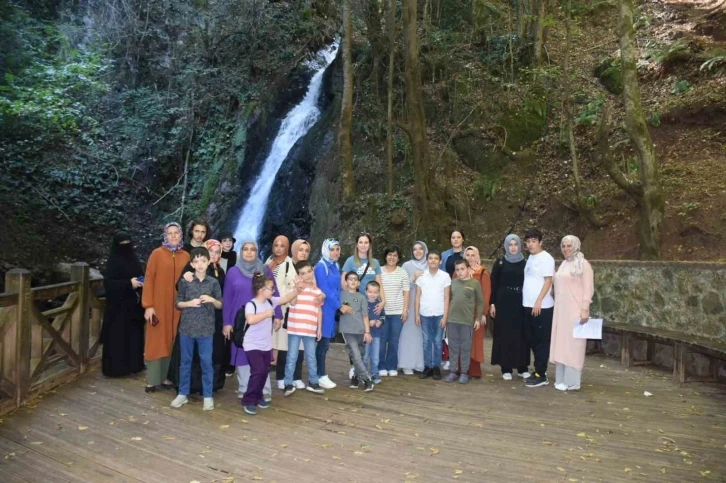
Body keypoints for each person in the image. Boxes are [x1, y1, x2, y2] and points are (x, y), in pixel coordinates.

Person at [222, 240, 280, 402]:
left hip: (262, 319)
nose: (249, 252)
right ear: (241, 252)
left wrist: (278, 314)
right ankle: (244, 388)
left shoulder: (265, 269)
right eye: (245, 249)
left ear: (257, 252)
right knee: (241, 353)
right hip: (240, 321)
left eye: (253, 249)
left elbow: (275, 294)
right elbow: (227, 298)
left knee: (261, 354)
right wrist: (227, 322)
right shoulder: (233, 272)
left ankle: (265, 389)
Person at [168, 239, 227, 393]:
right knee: (187, 358)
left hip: (210, 321)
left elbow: (221, 299)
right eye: (211, 251)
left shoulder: (219, 273)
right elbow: (179, 295)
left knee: (207, 358)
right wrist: (186, 276)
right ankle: (185, 390)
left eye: (217, 252)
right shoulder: (190, 271)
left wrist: (213, 301)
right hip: (190, 321)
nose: (214, 255)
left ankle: (207, 390)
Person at [240, 273, 301, 415]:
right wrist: (266, 315)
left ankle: (258, 396)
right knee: (258, 371)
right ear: (261, 289)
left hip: (266, 345)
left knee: (263, 372)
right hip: (252, 344)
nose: (273, 290)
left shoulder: (270, 301)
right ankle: (248, 400)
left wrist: (297, 289)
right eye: (271, 288)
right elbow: (250, 320)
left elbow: (285, 298)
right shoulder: (251, 304)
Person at [142, 222, 191, 392]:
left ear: (181, 235)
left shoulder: (186, 256)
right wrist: (148, 305)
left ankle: (169, 378)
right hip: (159, 306)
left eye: (176, 233)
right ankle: (153, 380)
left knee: (174, 340)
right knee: (157, 341)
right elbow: (149, 280)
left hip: (178, 307)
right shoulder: (156, 254)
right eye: (170, 233)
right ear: (165, 235)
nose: (173, 236)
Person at [550, 235, 594, 391]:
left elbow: (588, 289)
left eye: (569, 245)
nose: (566, 249)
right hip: (561, 310)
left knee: (574, 345)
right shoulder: (562, 265)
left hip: (575, 311)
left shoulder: (583, 264)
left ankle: (572, 382)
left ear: (576, 246)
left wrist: (584, 309)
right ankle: (561, 379)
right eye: (564, 246)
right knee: (562, 344)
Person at [100, 232, 145, 378]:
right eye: (122, 244)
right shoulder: (113, 261)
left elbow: (140, 274)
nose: (126, 246)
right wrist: (128, 283)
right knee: (117, 337)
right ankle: (116, 369)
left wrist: (140, 282)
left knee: (134, 336)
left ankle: (134, 365)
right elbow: (109, 283)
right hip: (117, 308)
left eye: (128, 243)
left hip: (133, 305)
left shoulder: (134, 259)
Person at [266, 235, 305, 390]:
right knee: (268, 341)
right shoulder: (268, 261)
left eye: (282, 246)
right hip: (265, 306)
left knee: (282, 344)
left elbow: (291, 287)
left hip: (281, 307)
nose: (278, 248)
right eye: (276, 245)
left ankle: (281, 377)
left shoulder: (289, 264)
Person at [490, 235, 531, 381]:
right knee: (505, 334)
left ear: (520, 246)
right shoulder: (500, 263)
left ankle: (522, 367)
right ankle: (506, 368)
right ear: (506, 246)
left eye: (516, 244)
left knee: (522, 334)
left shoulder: (526, 262)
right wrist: (492, 303)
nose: (513, 247)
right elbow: (494, 284)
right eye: (510, 244)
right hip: (504, 302)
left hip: (521, 301)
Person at [283, 260, 325, 397]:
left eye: (309, 271)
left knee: (311, 357)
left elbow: (319, 310)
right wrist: (297, 289)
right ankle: (288, 383)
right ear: (299, 275)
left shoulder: (317, 291)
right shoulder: (296, 288)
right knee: (292, 357)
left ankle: (313, 382)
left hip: (310, 329)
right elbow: (292, 302)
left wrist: (319, 328)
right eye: (303, 273)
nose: (307, 275)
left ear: (313, 270)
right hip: (295, 328)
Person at [522, 228, 555, 388]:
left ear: (540, 242)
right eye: (528, 241)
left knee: (541, 341)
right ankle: (538, 370)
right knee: (531, 339)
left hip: (541, 307)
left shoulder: (546, 258)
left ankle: (541, 374)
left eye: (534, 241)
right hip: (528, 305)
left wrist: (538, 301)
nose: (530, 244)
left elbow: (548, 281)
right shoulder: (530, 258)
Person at [451, 246, 491, 379]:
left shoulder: (482, 272)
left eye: (473, 255)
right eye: (467, 255)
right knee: (459, 341)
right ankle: (460, 369)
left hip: (476, 314)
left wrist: (483, 314)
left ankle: (473, 370)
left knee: (475, 342)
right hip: (460, 314)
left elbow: (485, 295)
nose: (470, 257)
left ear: (477, 256)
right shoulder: (457, 273)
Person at [444, 259, 485, 384]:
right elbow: (447, 300)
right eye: (457, 270)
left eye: (462, 269)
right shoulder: (453, 283)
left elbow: (480, 302)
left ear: (468, 269)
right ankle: (453, 371)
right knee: (453, 347)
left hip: (467, 321)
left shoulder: (475, 283)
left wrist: (478, 318)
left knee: (466, 348)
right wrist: (445, 318)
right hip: (452, 320)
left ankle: (464, 373)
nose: (460, 272)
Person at [415, 250, 451, 381]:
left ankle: (436, 367)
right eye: (430, 258)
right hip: (424, 313)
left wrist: (445, 316)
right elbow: (418, 296)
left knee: (437, 341)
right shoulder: (421, 276)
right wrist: (417, 315)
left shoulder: (445, 276)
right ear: (426, 261)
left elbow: (447, 297)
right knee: (426, 341)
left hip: (439, 313)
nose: (433, 261)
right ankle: (427, 366)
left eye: (436, 258)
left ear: (440, 261)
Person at [339, 271, 374, 391]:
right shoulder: (340, 295)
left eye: (355, 279)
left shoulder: (362, 297)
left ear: (358, 283)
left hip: (360, 331)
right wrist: (340, 310)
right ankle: (367, 379)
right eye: (350, 279)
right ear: (346, 281)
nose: (353, 281)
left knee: (358, 356)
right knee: (356, 355)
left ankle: (355, 376)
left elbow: (365, 316)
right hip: (347, 330)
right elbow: (336, 311)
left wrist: (367, 332)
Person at [314, 238, 342, 389]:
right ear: (326, 250)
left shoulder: (335, 265)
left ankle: (320, 373)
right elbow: (324, 289)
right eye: (333, 249)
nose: (336, 252)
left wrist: (341, 304)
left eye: (337, 249)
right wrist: (340, 305)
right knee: (322, 344)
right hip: (324, 310)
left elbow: (337, 288)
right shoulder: (321, 266)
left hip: (332, 311)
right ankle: (320, 375)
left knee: (325, 343)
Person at [379, 245, 409, 377]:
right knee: (382, 340)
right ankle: (381, 366)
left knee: (394, 340)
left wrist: (405, 310)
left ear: (398, 258)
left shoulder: (402, 272)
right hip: (382, 312)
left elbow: (406, 293)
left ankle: (392, 366)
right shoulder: (378, 271)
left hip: (397, 312)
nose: (392, 257)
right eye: (390, 254)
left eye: (395, 255)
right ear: (385, 256)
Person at [399, 242, 427, 375]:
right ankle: (406, 363)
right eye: (415, 249)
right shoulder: (406, 265)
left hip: (425, 303)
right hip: (410, 302)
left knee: (422, 334)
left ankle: (419, 363)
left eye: (421, 249)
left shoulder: (430, 264)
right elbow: (402, 285)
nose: (418, 251)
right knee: (409, 333)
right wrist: (412, 277)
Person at [341, 233, 386, 308]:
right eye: (360, 242)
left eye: (366, 242)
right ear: (356, 245)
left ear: (369, 245)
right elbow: (343, 284)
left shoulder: (375, 262)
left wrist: (383, 301)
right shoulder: (350, 261)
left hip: (372, 302)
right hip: (356, 302)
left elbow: (379, 284)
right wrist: (350, 300)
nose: (363, 245)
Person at [363, 281, 385, 384]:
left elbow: (383, 316)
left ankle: (374, 374)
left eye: (375, 292)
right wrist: (369, 322)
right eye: (370, 292)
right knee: (365, 356)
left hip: (377, 334)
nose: (373, 294)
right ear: (366, 291)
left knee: (375, 357)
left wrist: (380, 321)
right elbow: (360, 317)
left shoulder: (379, 303)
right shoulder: (363, 303)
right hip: (366, 335)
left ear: (379, 292)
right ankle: (364, 375)